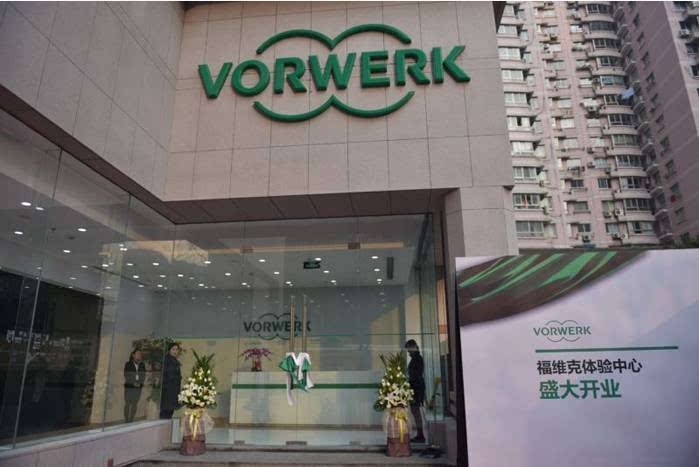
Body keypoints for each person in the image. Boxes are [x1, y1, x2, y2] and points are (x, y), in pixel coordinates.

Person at [405, 339, 426, 443]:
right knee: (415, 411)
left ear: (413, 347)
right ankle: (420, 434)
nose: (408, 352)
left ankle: (420, 435)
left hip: (416, 388)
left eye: (409, 349)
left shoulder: (417, 359)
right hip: (415, 387)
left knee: (416, 411)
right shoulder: (416, 358)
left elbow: (416, 375)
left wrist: (410, 383)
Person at [123, 349, 146, 422]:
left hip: (138, 387)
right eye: (137, 354)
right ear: (133, 355)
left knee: (135, 404)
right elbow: (126, 375)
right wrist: (133, 383)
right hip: (129, 387)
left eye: (140, 354)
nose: (139, 355)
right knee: (127, 403)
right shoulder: (128, 364)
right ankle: (126, 420)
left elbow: (143, 376)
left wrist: (140, 383)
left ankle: (131, 419)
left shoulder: (142, 365)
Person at [160, 342, 182, 419]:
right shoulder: (167, 360)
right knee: (165, 413)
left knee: (169, 412)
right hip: (167, 391)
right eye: (173, 349)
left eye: (176, 349)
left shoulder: (175, 361)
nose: (175, 351)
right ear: (169, 350)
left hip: (173, 391)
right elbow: (167, 376)